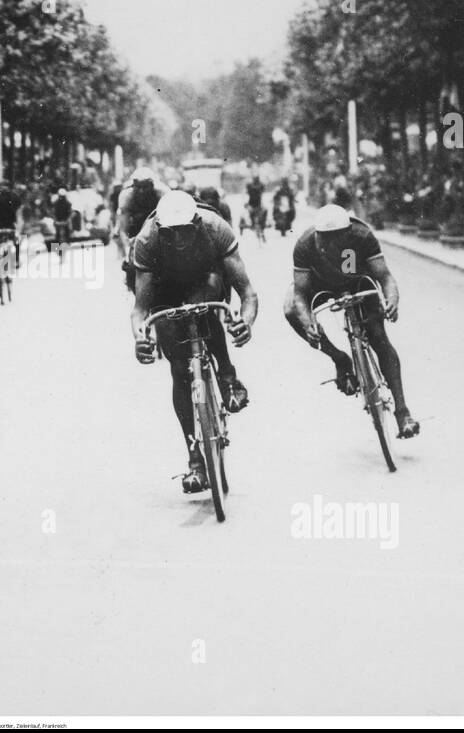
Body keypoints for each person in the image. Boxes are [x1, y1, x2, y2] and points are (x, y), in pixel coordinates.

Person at [131, 190, 257, 493]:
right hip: (164, 288)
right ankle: (195, 460)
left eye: (185, 231)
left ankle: (227, 374)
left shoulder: (216, 228)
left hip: (206, 280)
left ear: (197, 223)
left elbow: (247, 293)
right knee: (177, 367)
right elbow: (139, 310)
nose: (178, 240)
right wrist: (140, 337)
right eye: (170, 234)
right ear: (160, 228)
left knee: (206, 305)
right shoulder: (147, 241)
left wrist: (245, 322)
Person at [283, 203, 419, 439]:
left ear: (348, 234)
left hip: (357, 281)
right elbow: (299, 295)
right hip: (321, 283)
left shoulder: (362, 235)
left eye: (337, 238)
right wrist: (308, 323)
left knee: (378, 337)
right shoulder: (305, 245)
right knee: (290, 311)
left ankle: (403, 412)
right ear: (316, 235)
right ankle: (340, 359)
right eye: (324, 239)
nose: (330, 244)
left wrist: (391, 300)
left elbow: (385, 277)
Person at [116, 167, 168, 289]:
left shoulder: (163, 193)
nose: (141, 191)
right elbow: (123, 229)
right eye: (137, 187)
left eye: (145, 187)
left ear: (152, 185)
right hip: (137, 228)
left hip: (158, 225)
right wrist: (127, 251)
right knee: (130, 264)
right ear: (132, 186)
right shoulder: (126, 196)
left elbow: (169, 221)